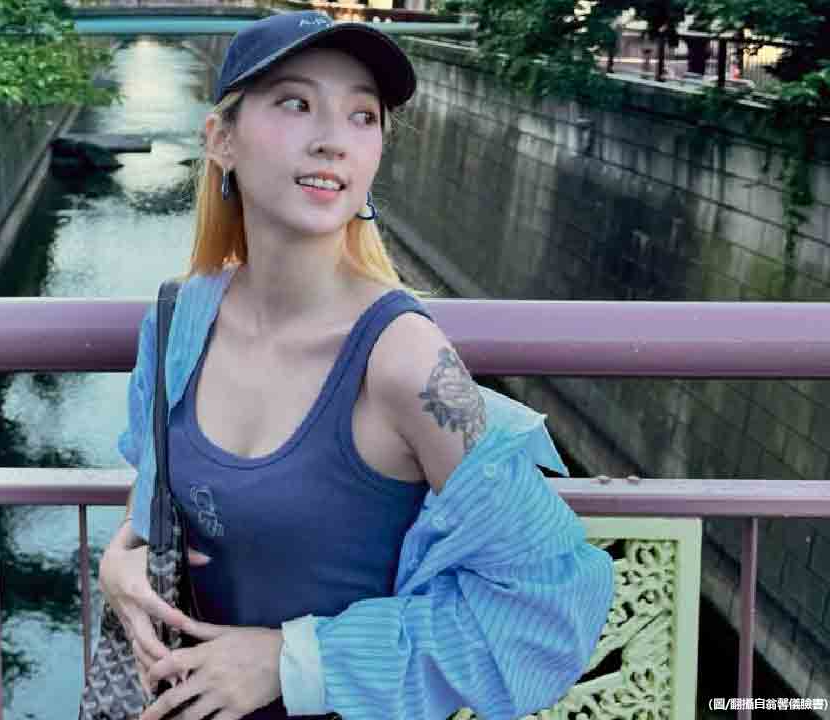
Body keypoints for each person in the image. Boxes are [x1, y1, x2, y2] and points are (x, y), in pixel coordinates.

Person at [97, 11, 615, 720]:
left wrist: (294, 662)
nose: (332, 139)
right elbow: (157, 494)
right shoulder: (177, 322)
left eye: (362, 116)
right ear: (220, 139)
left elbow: (547, 614)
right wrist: (120, 557)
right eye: (294, 103)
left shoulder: (405, 362)